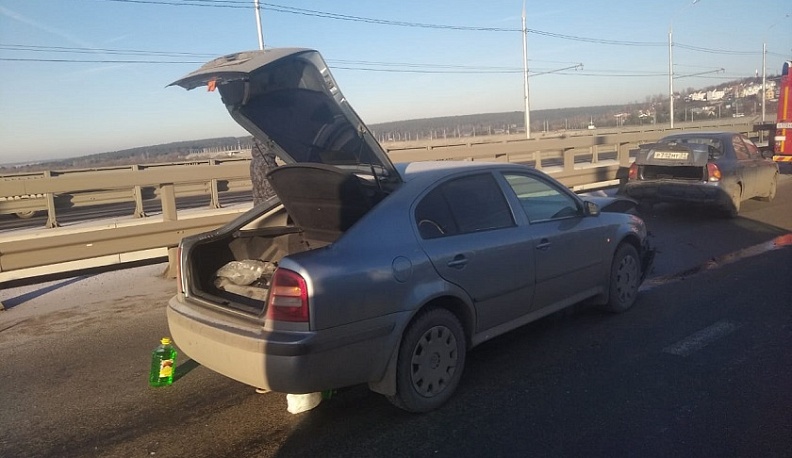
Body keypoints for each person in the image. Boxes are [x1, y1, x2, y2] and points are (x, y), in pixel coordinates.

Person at [250, 138, 278, 205]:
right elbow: (272, 184)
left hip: (258, 200)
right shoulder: (267, 161)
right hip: (269, 202)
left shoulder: (254, 161)